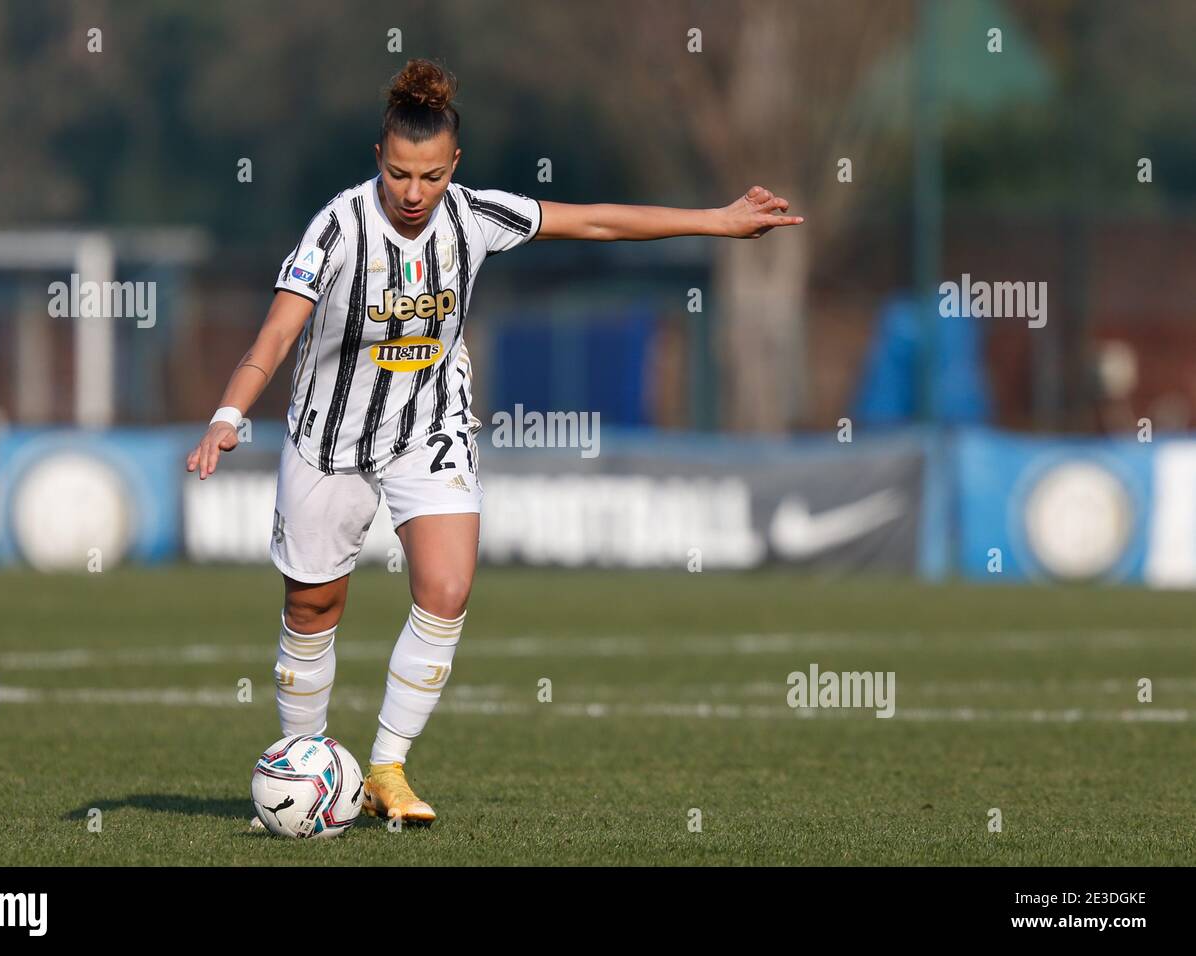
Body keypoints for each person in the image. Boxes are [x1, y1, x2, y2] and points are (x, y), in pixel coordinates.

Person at [185, 57, 802, 826]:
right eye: (402, 174)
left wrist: (718, 220)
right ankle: (305, 770)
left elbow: (597, 219)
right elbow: (278, 333)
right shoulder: (338, 227)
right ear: (379, 158)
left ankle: (386, 768)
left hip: (430, 426)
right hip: (330, 438)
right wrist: (228, 414)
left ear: (455, 167)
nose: (415, 194)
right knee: (313, 606)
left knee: (445, 589)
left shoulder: (474, 215)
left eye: (433, 176)